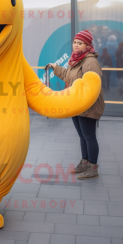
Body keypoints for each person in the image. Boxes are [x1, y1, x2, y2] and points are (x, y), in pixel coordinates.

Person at [48, 30, 105, 179]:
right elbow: (69, 77)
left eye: (80, 43)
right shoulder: (76, 59)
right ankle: (84, 162)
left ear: (87, 45)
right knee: (82, 136)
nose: (76, 45)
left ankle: (93, 168)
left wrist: (84, 102)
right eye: (75, 42)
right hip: (76, 103)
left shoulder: (90, 61)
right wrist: (56, 67)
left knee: (89, 136)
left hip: (87, 105)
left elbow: (94, 85)